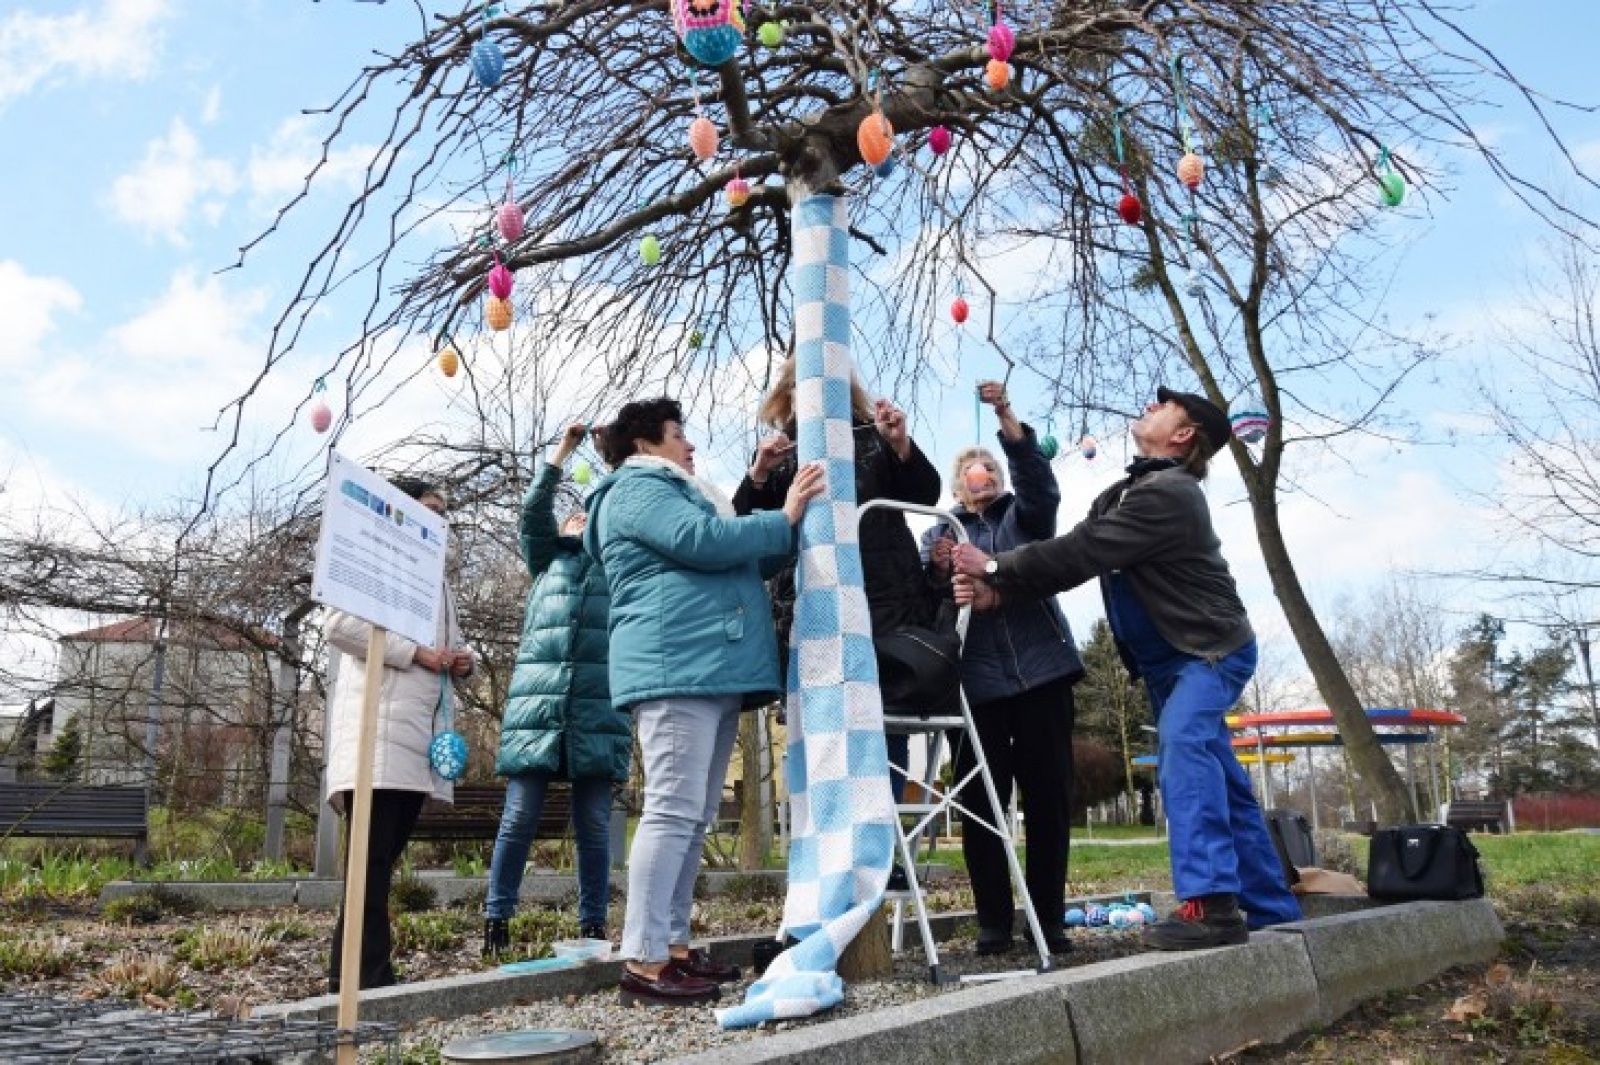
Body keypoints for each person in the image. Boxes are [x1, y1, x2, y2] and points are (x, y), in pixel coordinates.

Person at [950, 386, 1304, 950]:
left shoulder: (1169, 492)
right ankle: (1268, 904)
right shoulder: (1128, 490)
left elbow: (1082, 552)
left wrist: (991, 564)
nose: (1147, 407)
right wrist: (1000, 594)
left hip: (1208, 650)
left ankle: (1210, 905)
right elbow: (1070, 558)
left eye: (1161, 408)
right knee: (1222, 777)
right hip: (1168, 660)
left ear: (1183, 435)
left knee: (1184, 749)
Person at [583, 397, 825, 1007]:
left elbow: (739, 547)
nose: (689, 445)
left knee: (691, 818)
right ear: (644, 445)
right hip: (676, 667)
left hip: (707, 666)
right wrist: (784, 512)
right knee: (670, 811)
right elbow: (702, 540)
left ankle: (675, 947)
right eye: (677, 434)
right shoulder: (635, 490)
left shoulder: (677, 489)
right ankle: (643, 958)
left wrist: (785, 524)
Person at [732, 357, 946, 825]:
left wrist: (901, 444)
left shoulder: (872, 434)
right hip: (809, 605)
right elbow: (748, 525)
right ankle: (824, 845)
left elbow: (925, 493)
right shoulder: (784, 448)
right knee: (822, 727)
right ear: (789, 391)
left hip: (886, 600)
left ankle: (881, 842)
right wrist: (760, 475)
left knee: (884, 722)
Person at [923, 380, 1084, 957]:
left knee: (1048, 801)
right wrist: (940, 571)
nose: (980, 472)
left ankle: (1049, 920)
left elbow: (1040, 485)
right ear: (957, 484)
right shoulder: (942, 529)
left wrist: (1006, 417)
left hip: (1042, 674)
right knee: (980, 805)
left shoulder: (1027, 515)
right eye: (970, 466)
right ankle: (993, 920)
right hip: (976, 686)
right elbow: (931, 596)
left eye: (987, 464)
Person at [482, 423, 631, 958]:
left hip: (598, 710)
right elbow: (532, 510)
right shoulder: (546, 559)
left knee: (593, 825)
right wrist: (565, 451)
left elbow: (623, 502)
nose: (578, 516)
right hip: (537, 708)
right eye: (574, 512)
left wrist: (612, 462)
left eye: (588, 514)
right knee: (519, 817)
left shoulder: (617, 567)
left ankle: (593, 925)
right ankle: (497, 917)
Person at [323, 476, 474, 993]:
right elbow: (339, 625)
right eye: (428, 510)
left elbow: (446, 645)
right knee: (369, 862)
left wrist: (460, 660)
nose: (438, 522)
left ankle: (362, 972)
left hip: (414, 734)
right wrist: (419, 654)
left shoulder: (437, 582)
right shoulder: (375, 562)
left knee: (381, 861)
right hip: (377, 734)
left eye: (442, 513)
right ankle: (359, 977)